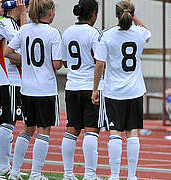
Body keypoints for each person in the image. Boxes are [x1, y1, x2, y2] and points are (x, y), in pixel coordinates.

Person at [92, 1, 151, 179]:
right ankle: (132, 175)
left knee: (115, 132)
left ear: (116, 15)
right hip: (134, 90)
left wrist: (95, 89)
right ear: (132, 14)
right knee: (132, 132)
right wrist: (134, 17)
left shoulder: (107, 35)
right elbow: (146, 31)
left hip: (113, 91)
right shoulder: (140, 33)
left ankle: (115, 175)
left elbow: (100, 64)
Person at [5, 0, 62, 179]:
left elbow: (7, 52)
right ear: (50, 12)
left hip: (27, 88)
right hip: (45, 89)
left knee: (26, 129)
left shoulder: (24, 29)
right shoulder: (53, 33)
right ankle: (36, 174)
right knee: (44, 130)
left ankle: (14, 171)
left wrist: (25, 60)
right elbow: (57, 64)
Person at [60, 1, 102, 180]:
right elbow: (100, 62)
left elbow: (64, 62)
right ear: (93, 14)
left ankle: (68, 173)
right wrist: (95, 88)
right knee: (91, 131)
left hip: (71, 86)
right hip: (89, 87)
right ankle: (89, 175)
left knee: (71, 130)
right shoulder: (94, 33)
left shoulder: (67, 32)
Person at [0, 0, 27, 176]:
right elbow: (24, 42)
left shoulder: (9, 23)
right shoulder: (6, 22)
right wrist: (28, 59)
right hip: (8, 78)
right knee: (7, 122)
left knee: (4, 122)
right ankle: (1, 164)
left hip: (11, 79)